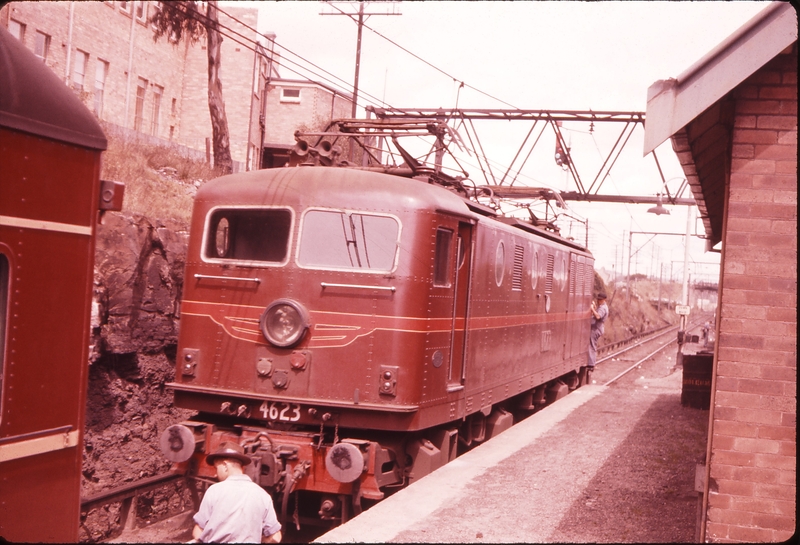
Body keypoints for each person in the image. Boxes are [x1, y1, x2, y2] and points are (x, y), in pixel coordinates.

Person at [190, 442, 282, 543]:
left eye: (216, 468)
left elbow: (198, 532)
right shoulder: (263, 496)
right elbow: (276, 538)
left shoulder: (214, 491)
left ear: (225, 465)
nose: (215, 474)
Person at [587, 292, 608, 373]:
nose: (599, 300)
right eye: (598, 299)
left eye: (600, 300)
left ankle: (591, 364)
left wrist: (592, 309)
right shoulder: (602, 306)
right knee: (592, 345)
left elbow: (598, 316)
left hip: (596, 329)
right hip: (597, 328)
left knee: (592, 345)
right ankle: (591, 362)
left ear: (604, 300)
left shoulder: (603, 308)